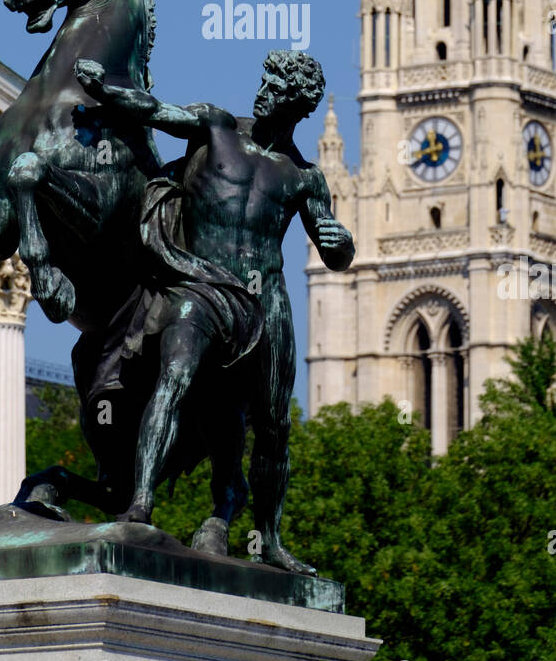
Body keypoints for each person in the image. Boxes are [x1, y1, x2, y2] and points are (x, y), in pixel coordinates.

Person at [75, 48, 354, 575]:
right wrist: (106, 88)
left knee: (273, 426)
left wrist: (342, 243)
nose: (263, 92)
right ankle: (140, 503)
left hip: (265, 298)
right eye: (265, 82)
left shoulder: (304, 176)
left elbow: (334, 251)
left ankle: (268, 539)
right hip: (202, 284)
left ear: (297, 106)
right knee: (174, 376)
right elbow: (155, 110)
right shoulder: (215, 126)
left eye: (276, 89)